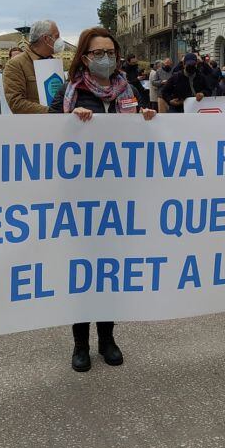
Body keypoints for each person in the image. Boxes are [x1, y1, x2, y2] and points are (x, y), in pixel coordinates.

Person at [50, 27, 157, 372]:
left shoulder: (131, 89)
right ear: (84, 57)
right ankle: (80, 343)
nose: (106, 58)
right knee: (84, 274)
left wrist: (148, 120)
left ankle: (107, 338)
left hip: (121, 199)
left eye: (110, 52)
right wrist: (70, 122)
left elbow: (147, 133)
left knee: (110, 272)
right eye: (98, 53)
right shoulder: (69, 94)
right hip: (80, 202)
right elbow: (46, 137)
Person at [3, 19, 63, 114]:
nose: (60, 40)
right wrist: (51, 112)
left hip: (58, 124)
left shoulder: (54, 63)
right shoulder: (16, 64)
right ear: (46, 39)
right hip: (33, 126)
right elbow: (16, 103)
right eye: (57, 36)